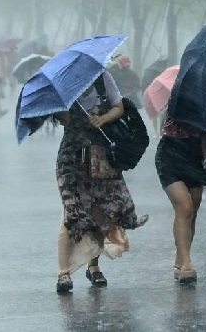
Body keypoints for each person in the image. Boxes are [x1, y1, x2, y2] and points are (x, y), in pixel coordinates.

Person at [53, 71, 149, 294]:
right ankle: (63, 273)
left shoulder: (102, 79)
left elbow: (119, 107)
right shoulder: (63, 85)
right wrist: (63, 114)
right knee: (72, 213)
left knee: (99, 214)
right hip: (72, 159)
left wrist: (102, 118)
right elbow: (64, 120)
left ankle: (93, 266)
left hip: (101, 158)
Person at [155, 113, 206, 283]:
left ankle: (181, 257)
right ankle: (186, 263)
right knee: (184, 207)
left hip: (196, 154)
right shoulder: (177, 96)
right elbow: (164, 123)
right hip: (170, 154)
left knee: (192, 212)